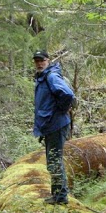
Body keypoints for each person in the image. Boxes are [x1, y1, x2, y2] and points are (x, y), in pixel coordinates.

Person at [32, 50, 76, 204]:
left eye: (41, 60)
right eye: (36, 61)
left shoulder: (51, 76)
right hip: (50, 125)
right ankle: (57, 195)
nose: (39, 63)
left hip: (56, 125)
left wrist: (61, 110)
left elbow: (67, 95)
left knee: (54, 161)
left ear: (48, 61)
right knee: (53, 160)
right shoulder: (42, 77)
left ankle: (60, 197)